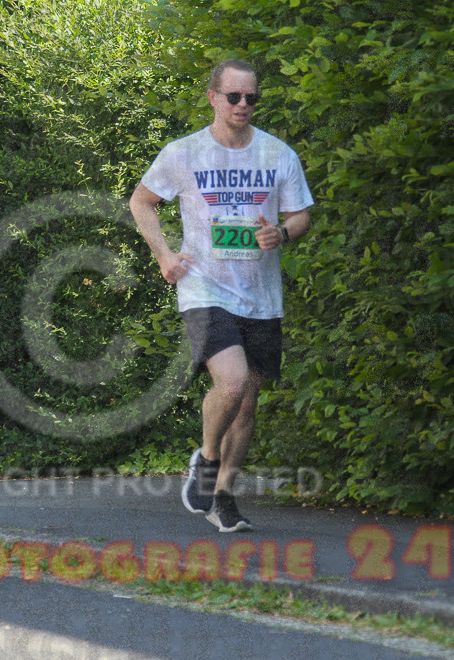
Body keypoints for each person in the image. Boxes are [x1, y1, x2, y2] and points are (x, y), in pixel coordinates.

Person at [130, 58, 313, 532]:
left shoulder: (277, 154)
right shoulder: (184, 153)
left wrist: (282, 234)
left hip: (261, 295)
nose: (243, 105)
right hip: (204, 287)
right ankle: (207, 460)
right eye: (234, 96)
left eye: (251, 97)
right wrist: (163, 255)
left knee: (247, 402)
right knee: (231, 384)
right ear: (213, 97)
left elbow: (300, 216)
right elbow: (141, 201)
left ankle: (223, 496)